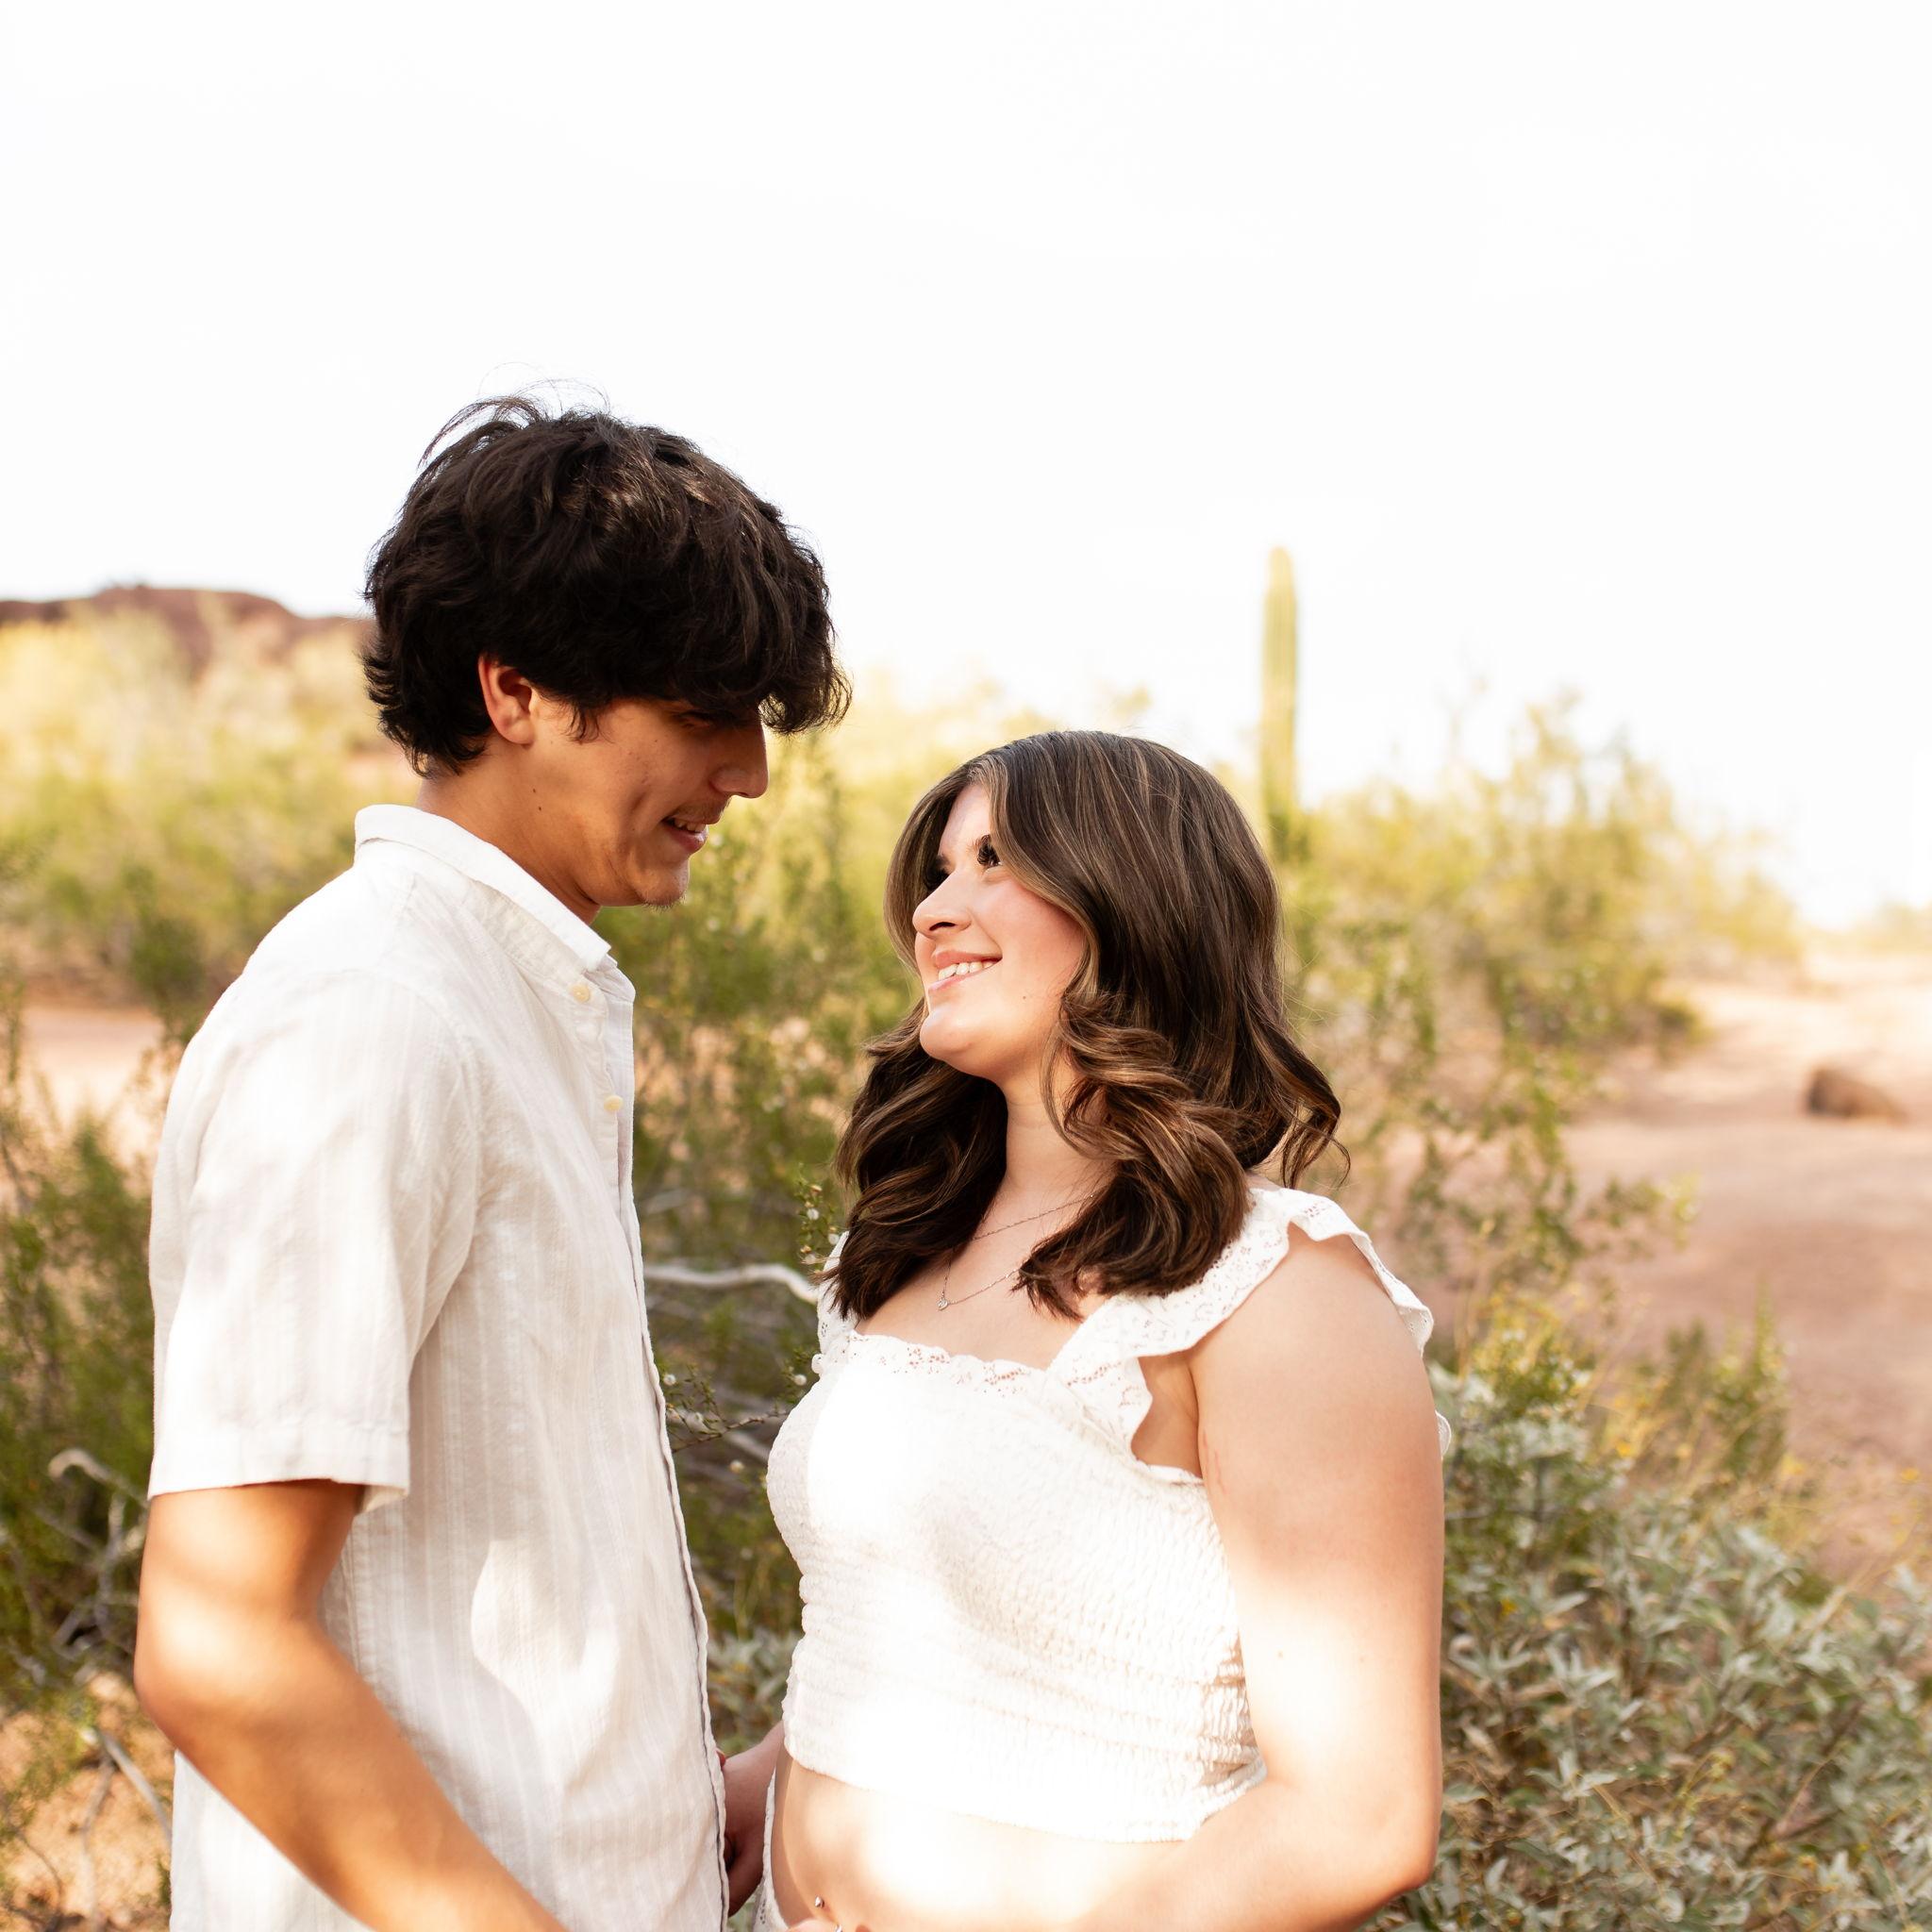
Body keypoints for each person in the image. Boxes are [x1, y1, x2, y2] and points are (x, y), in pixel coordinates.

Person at [135, 394, 848, 1931]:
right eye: (702, 710)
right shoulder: (376, 1019)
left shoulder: (506, 1003)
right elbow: (219, 1644)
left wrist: (682, 1813)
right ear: (514, 689)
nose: (747, 771)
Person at [757, 730, 1454, 1932]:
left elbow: (1358, 1817)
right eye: (938, 869)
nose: (933, 908)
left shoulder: (1276, 1290)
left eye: (992, 861)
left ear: (1132, 900)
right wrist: (767, 1780)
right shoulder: (900, 1247)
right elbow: (897, 1621)